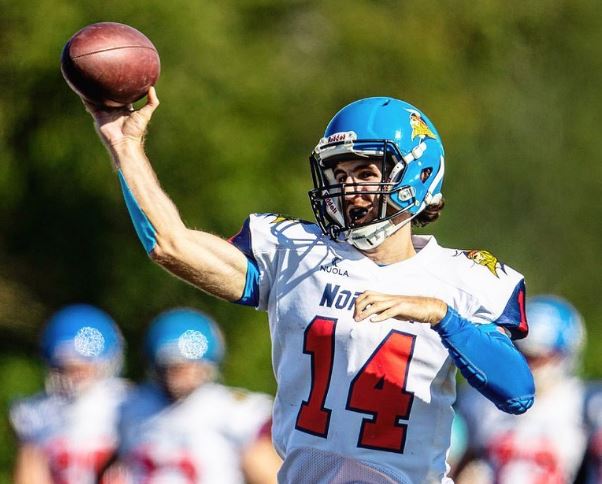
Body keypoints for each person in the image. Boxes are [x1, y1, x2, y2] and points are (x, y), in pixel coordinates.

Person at [83, 91, 535, 483]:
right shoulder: (296, 252)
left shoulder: (463, 278)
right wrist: (125, 146)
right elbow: (171, 245)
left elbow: (516, 393)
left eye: (366, 173)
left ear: (417, 178)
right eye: (339, 175)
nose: (348, 189)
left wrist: (442, 316)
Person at [111, 307, 280, 483]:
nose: (178, 377)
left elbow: (266, 470)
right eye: (171, 367)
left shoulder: (229, 409)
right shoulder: (131, 405)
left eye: (186, 367)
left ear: (207, 366)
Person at [454, 295, 589, 484]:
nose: (529, 365)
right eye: (524, 354)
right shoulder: (479, 399)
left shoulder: (583, 404)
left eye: (539, 358)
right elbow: (455, 460)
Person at [9, 303, 128, 484]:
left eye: (82, 368)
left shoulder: (126, 402)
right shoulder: (38, 412)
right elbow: (30, 476)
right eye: (66, 368)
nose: (75, 377)